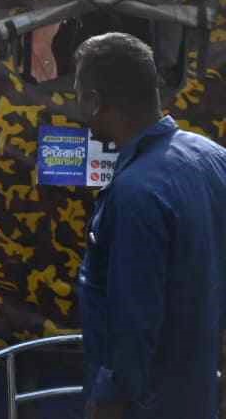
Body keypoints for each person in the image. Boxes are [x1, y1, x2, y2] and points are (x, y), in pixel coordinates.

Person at [73, 32, 226, 418]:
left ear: (94, 101)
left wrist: (107, 402)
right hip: (200, 397)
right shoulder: (213, 159)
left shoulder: (136, 192)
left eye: (78, 94)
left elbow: (134, 322)